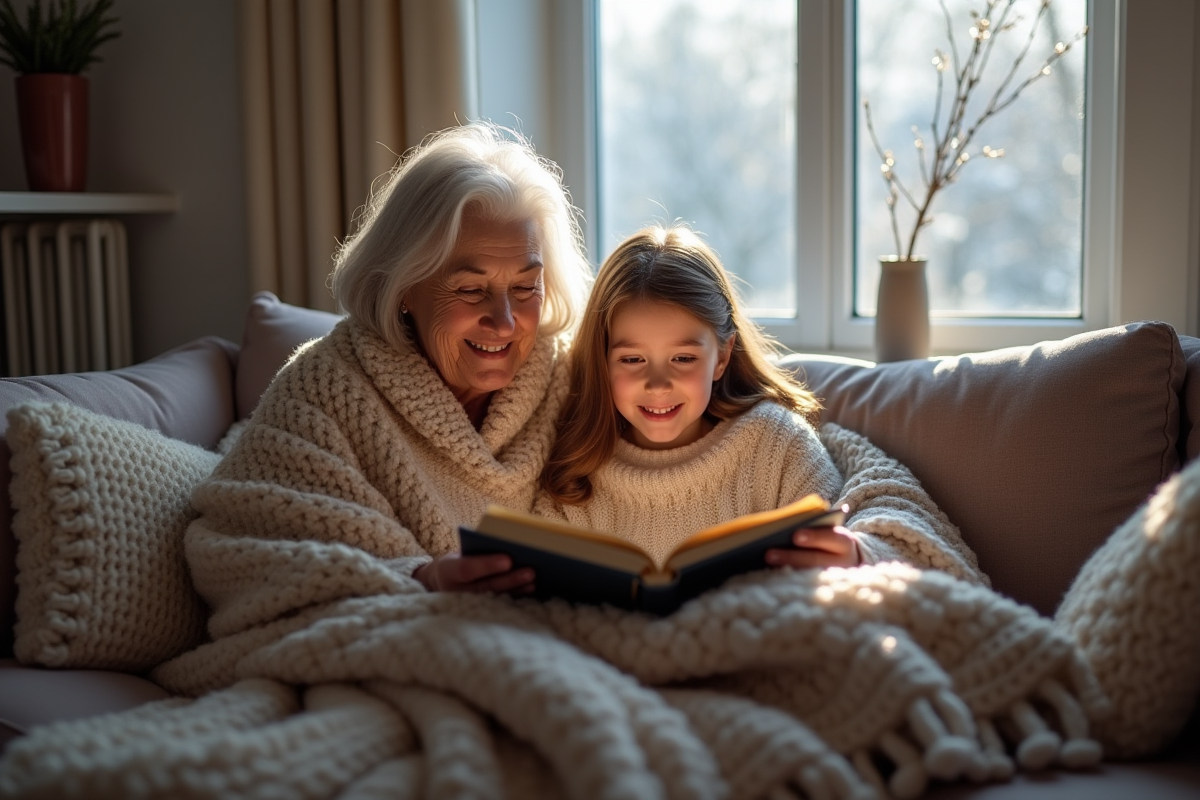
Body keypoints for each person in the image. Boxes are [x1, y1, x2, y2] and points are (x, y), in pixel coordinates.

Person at [183, 122, 593, 615]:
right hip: (404, 632)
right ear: (403, 288)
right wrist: (418, 580)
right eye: (470, 289)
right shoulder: (327, 386)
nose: (504, 322)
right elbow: (238, 551)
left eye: (526, 288)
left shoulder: (571, 381)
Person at [536, 223, 862, 570]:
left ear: (721, 357)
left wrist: (856, 553)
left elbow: (853, 536)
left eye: (683, 358)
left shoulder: (775, 443)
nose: (658, 385)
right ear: (602, 360)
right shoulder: (575, 470)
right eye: (632, 360)